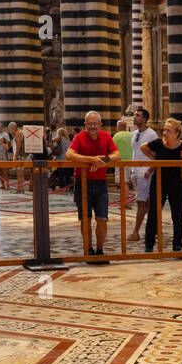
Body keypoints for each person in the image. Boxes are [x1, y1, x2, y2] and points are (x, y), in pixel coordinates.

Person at [66, 110, 117, 257]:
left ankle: (100, 250)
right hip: (82, 182)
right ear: (85, 125)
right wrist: (90, 159)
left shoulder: (106, 136)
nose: (93, 126)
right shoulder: (79, 137)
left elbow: (117, 155)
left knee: (102, 218)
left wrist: (102, 160)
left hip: (101, 183)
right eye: (90, 124)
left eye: (95, 123)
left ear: (100, 124)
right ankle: (88, 249)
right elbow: (69, 155)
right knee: (85, 219)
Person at [140, 117, 182, 254]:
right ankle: (149, 245)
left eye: (168, 130)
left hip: (177, 184)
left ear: (177, 134)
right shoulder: (158, 143)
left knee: (177, 215)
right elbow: (143, 147)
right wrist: (154, 160)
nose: (165, 133)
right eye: (164, 130)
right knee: (153, 214)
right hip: (159, 182)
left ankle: (177, 244)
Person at [122, 108, 158, 241]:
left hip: (145, 172)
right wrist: (132, 172)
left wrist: (150, 170)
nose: (135, 117)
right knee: (147, 202)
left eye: (138, 116)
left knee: (141, 202)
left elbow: (155, 155)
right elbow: (134, 153)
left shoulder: (152, 134)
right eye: (135, 115)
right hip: (135, 171)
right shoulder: (134, 133)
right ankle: (154, 229)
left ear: (144, 119)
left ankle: (135, 232)